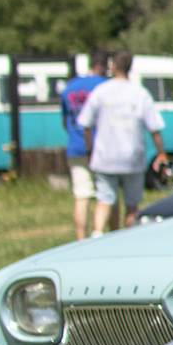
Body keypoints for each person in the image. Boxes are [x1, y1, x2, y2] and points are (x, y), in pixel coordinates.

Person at [77, 50, 167, 234]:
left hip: (105, 155)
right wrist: (161, 153)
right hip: (132, 157)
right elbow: (154, 128)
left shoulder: (101, 91)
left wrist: (89, 150)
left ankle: (98, 233)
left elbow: (85, 124)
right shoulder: (140, 93)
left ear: (113, 66)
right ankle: (129, 237)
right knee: (132, 204)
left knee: (104, 200)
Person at [60, 49, 110, 240]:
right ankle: (109, 235)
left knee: (81, 196)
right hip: (101, 147)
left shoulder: (70, 87)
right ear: (100, 66)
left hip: (75, 146)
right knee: (107, 194)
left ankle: (81, 241)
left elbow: (65, 122)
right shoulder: (105, 85)